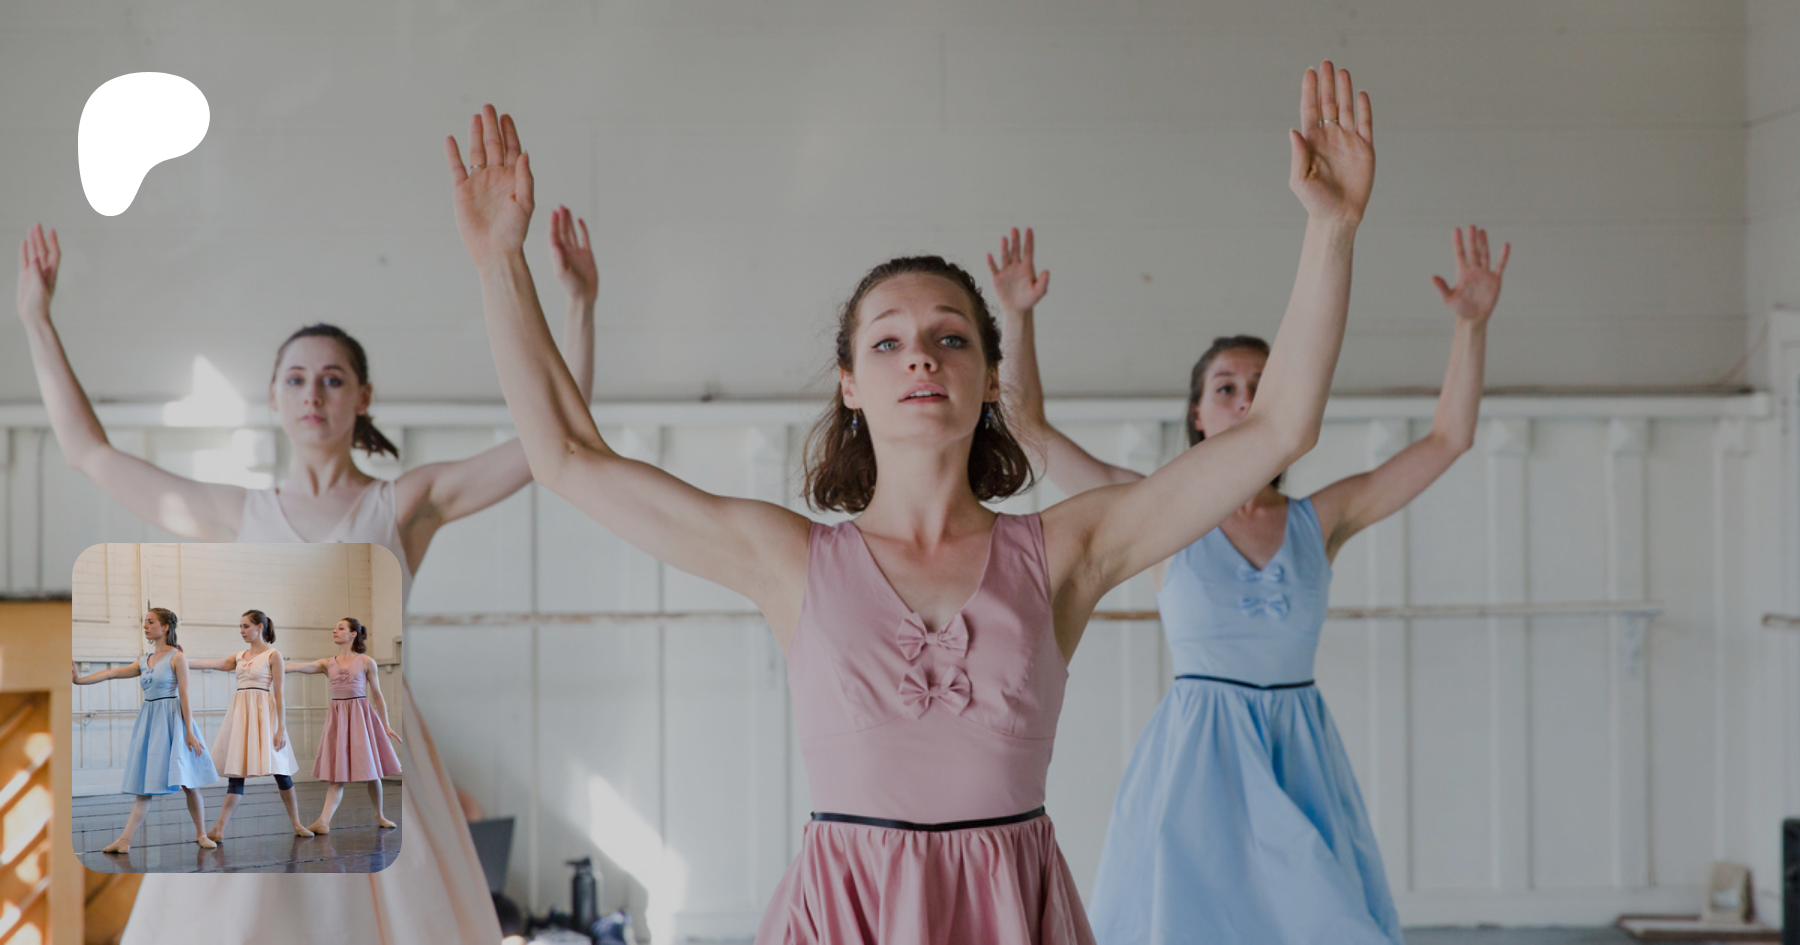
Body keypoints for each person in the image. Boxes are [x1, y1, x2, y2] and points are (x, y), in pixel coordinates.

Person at [444, 59, 1374, 943]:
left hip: (1010, 910)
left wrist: (1331, 230)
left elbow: (1280, 427)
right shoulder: (789, 559)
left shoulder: (1067, 549)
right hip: (844, 912)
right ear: (850, 383)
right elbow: (566, 457)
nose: (921, 354)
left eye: (950, 336)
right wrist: (497, 265)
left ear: (990, 377)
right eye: (887, 342)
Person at [16, 204, 599, 942]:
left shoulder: (405, 502)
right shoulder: (239, 512)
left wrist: (580, 308)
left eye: (332, 378)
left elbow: (553, 442)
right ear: (275, 397)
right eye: (296, 379)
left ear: (363, 397)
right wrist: (36, 319)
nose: (313, 394)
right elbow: (88, 453)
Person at [990, 222, 1507, 944]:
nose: (1243, 399)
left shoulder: (1321, 519)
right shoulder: (1158, 514)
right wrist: (1016, 317)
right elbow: (1028, 430)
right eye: (1226, 387)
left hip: (1300, 754)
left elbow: (1448, 439)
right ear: (1198, 416)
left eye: (1262, 387)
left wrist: (1472, 327)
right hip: (1196, 760)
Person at [72, 608, 221, 854]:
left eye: (150, 622)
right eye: (145, 622)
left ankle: (202, 834)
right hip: (151, 723)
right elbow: (111, 673)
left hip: (174, 722)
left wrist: (189, 731)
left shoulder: (177, 657)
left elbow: (185, 696)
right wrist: (78, 680)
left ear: (165, 627)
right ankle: (124, 840)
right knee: (145, 786)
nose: (145, 626)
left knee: (189, 783)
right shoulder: (145, 661)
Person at [184, 609, 310, 841]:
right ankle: (219, 828)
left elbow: (279, 695)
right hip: (241, 716)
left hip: (265, 715)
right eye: (240, 627)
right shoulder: (239, 656)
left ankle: (297, 824)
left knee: (281, 772)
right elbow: (212, 663)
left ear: (259, 627)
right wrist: (184, 662)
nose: (241, 631)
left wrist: (280, 728)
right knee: (237, 773)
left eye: (246, 626)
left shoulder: (273, 655)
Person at [286, 617, 403, 833]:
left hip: (361, 717)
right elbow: (297, 667)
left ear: (353, 634)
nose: (334, 631)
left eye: (340, 628)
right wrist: (272, 663)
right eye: (335, 628)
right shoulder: (327, 663)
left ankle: (380, 815)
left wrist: (385, 725)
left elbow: (378, 695)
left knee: (372, 772)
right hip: (339, 719)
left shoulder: (366, 662)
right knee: (337, 775)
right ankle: (323, 821)